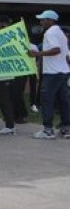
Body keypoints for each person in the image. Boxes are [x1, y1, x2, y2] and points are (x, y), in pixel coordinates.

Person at [27, 10, 70, 140]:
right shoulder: (60, 33)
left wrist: (37, 54)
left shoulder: (50, 33)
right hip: (63, 72)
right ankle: (66, 128)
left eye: (43, 19)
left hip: (52, 73)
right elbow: (66, 54)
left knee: (47, 101)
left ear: (51, 20)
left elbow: (56, 50)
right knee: (64, 101)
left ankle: (48, 130)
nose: (41, 22)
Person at [0, 15, 18, 135]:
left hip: (8, 73)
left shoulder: (11, 36)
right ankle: (9, 123)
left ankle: (10, 126)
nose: (2, 26)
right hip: (2, 72)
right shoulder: (2, 36)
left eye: (4, 23)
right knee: (1, 99)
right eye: (0, 23)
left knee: (4, 99)